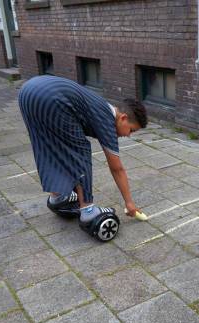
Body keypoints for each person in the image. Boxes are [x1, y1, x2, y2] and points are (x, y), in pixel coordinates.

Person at [18, 75, 147, 225]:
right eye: (131, 130)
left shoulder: (100, 107)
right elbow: (117, 168)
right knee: (81, 151)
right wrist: (129, 203)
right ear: (123, 118)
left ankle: (58, 196)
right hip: (51, 97)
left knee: (50, 145)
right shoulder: (107, 120)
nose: (128, 135)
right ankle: (88, 210)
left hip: (27, 91)